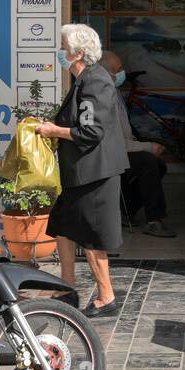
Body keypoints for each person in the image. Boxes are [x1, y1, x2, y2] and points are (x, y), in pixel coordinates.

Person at [37, 24, 129, 318]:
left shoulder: (95, 82)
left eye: (63, 47)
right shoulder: (82, 80)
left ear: (78, 53)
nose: (60, 52)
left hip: (94, 174)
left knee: (92, 238)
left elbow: (91, 131)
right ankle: (66, 286)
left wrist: (55, 130)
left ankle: (106, 297)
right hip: (79, 173)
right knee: (62, 226)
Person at [99, 50, 176, 238]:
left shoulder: (114, 92)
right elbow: (114, 142)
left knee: (157, 165)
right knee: (147, 162)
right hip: (106, 156)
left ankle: (125, 210)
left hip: (119, 151)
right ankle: (154, 220)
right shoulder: (102, 97)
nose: (123, 73)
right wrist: (148, 147)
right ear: (107, 73)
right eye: (119, 69)